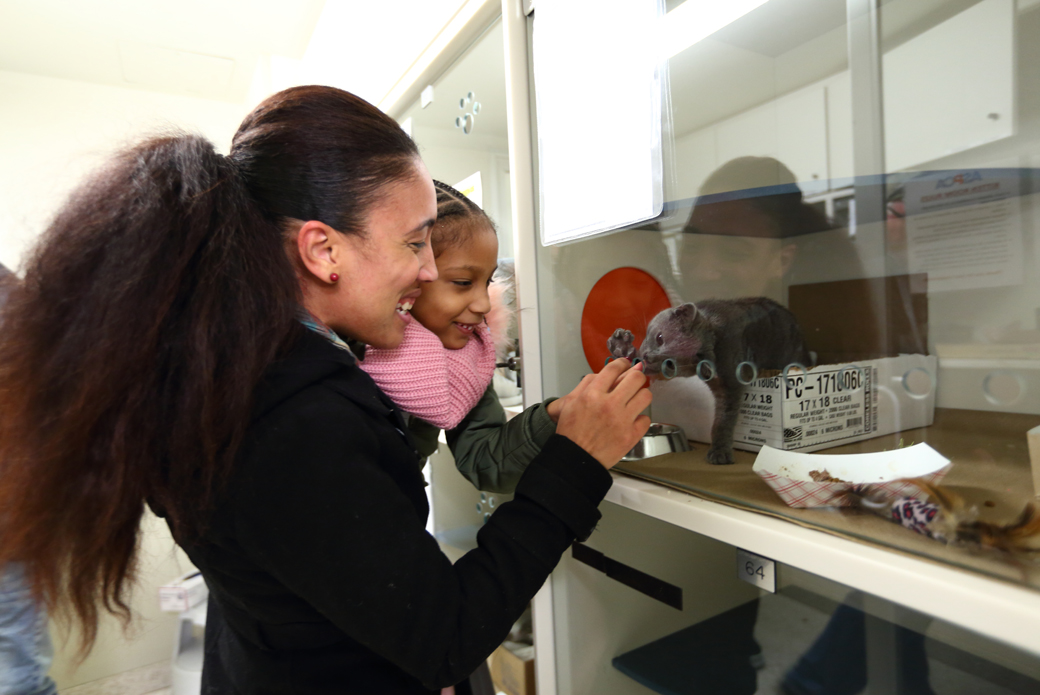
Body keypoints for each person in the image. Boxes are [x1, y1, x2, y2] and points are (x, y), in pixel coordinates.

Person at [0, 85, 652, 694]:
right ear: (323, 250)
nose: (426, 271)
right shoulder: (293, 415)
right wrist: (574, 459)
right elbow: (445, 633)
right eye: (416, 242)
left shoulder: (221, 369)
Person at [360, 180, 560, 493]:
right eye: (464, 282)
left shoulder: (469, 356)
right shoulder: (348, 352)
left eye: (488, 281)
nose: (484, 304)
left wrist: (552, 418)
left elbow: (484, 460)